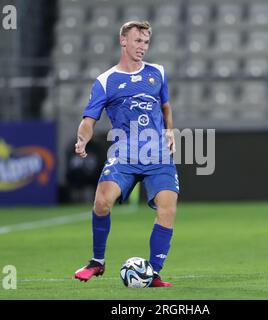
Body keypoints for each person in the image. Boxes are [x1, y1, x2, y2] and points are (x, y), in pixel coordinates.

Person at [74, 21, 179, 287]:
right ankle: (97, 262)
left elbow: (165, 106)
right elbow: (89, 120)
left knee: (168, 209)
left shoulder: (158, 73)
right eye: (137, 41)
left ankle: (152, 273)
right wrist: (82, 139)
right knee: (102, 201)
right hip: (125, 154)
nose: (142, 47)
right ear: (123, 41)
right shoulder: (106, 81)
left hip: (157, 155)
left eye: (146, 42)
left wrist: (169, 131)